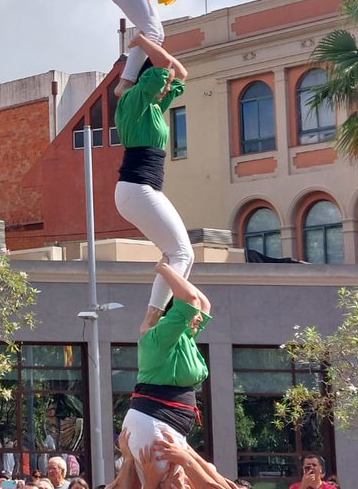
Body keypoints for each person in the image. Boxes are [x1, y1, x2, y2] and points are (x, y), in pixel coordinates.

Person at [113, 35, 191, 333]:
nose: (169, 88)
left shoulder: (155, 106)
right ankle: (150, 320)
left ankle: (168, 307)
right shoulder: (134, 102)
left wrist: (148, 50)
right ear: (148, 80)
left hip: (143, 189)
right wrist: (143, 40)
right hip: (136, 187)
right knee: (179, 253)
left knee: (184, 254)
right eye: (164, 83)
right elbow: (167, 65)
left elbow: (180, 73)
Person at [119, 262, 211, 482]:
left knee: (174, 482)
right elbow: (191, 300)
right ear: (175, 316)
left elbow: (203, 304)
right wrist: (165, 268)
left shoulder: (182, 338)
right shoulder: (159, 338)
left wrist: (181, 266)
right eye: (194, 314)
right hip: (154, 419)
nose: (199, 317)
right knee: (170, 483)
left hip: (164, 422)